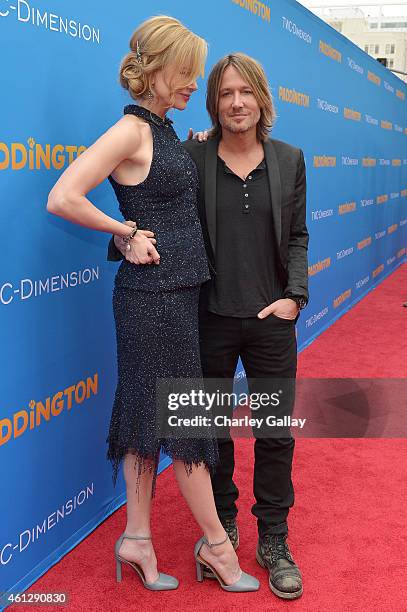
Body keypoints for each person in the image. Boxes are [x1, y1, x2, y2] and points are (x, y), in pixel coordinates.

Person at [46, 18, 259, 593]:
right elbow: (63, 195)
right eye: (187, 72)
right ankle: (219, 548)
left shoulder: (161, 130)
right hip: (152, 300)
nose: (196, 84)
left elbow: (166, 186)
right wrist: (122, 231)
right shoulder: (129, 132)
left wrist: (187, 150)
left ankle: (137, 538)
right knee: (184, 422)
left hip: (177, 296)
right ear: (159, 68)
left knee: (146, 415)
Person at [109, 52, 309, 600]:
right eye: (225, 94)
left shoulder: (290, 160)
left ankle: (274, 540)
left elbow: (297, 237)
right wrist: (125, 235)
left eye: (246, 92)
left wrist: (294, 296)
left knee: (274, 434)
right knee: (210, 436)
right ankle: (221, 530)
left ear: (262, 99)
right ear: (213, 104)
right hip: (207, 318)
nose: (237, 102)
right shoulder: (191, 155)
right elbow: (152, 202)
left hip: (272, 321)